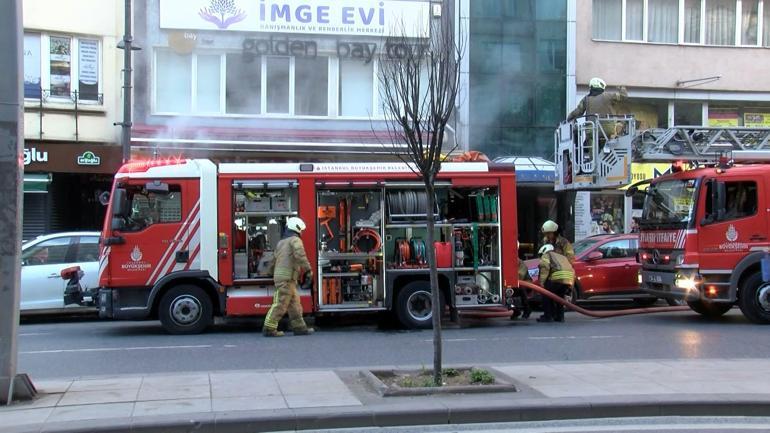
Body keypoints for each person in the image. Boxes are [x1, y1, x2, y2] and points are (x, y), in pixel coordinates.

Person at [262, 217, 315, 337]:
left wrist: (269, 272)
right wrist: (308, 269)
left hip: (285, 278)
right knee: (280, 303)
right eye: (300, 230)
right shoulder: (295, 240)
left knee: (294, 303)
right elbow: (300, 255)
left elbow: (273, 260)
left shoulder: (281, 242)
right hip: (287, 278)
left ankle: (299, 328)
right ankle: (269, 328)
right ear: (296, 228)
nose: (301, 232)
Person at [536, 244, 575, 323]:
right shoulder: (562, 257)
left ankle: (548, 316)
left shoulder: (546, 255)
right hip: (567, 280)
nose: (540, 257)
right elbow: (572, 269)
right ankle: (560, 317)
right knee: (559, 298)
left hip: (557, 278)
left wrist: (542, 283)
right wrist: (571, 285)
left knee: (546, 295)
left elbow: (545, 268)